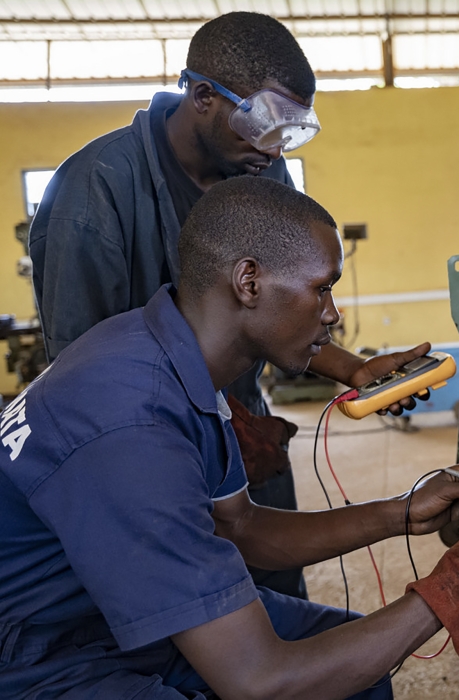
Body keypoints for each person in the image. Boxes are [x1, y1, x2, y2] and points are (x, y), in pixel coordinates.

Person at [0, 177, 459, 699]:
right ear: (248, 281)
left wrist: (402, 512)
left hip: (99, 610)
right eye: (322, 288)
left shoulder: (166, 355)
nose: (333, 314)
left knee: (356, 673)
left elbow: (241, 527)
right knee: (313, 678)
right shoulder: (131, 425)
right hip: (39, 655)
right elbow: (261, 681)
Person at [27, 11, 416, 599]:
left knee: (276, 590)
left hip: (238, 421)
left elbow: (271, 312)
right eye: (263, 122)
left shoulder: (264, 171)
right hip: (135, 442)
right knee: (183, 603)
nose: (276, 144)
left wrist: (352, 370)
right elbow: (80, 382)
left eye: (292, 129)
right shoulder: (95, 193)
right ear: (203, 95)